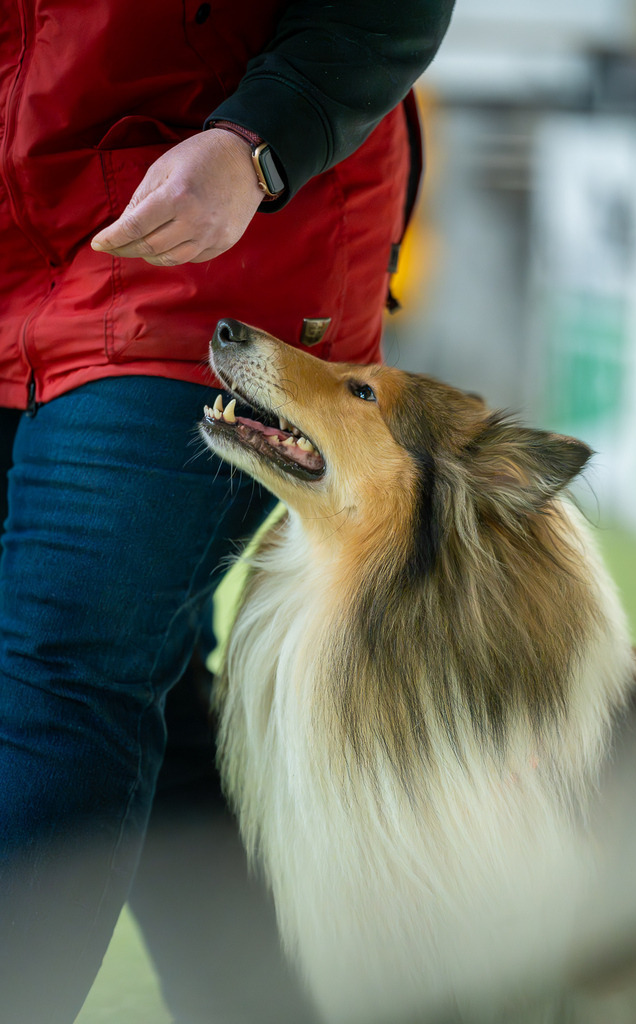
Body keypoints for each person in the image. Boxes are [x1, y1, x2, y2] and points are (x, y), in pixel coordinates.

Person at [0, 2, 455, 1022]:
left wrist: (258, 139)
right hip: (16, 231)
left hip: (219, 230)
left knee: (66, 661)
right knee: (146, 692)